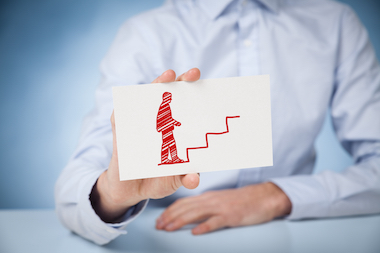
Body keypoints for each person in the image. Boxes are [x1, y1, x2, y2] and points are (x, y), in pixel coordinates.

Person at [55, 0, 380, 245]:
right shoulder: (146, 34)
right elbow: (74, 187)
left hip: (302, 237)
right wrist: (112, 196)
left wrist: (279, 195)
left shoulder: (336, 24)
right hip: (171, 236)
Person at [157, 92, 184, 164]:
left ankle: (167, 159)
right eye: (169, 97)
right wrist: (175, 122)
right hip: (166, 128)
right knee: (169, 143)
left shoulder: (164, 106)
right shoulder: (165, 106)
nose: (171, 99)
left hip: (166, 128)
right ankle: (171, 158)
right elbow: (167, 119)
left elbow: (168, 118)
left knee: (168, 143)